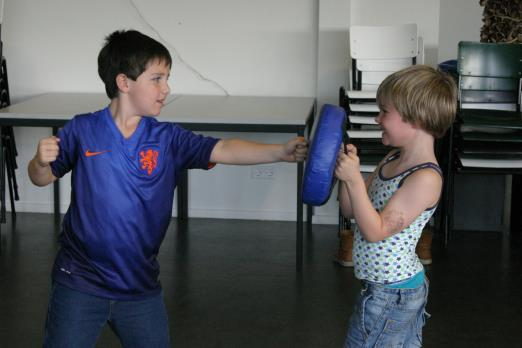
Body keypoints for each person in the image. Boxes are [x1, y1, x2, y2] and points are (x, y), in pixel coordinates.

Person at [28, 29, 307, 348]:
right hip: (79, 282)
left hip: (139, 287)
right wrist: (39, 161)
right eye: (157, 79)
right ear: (124, 82)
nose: (167, 88)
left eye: (167, 78)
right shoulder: (81, 129)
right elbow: (42, 177)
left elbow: (225, 148)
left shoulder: (168, 139)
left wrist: (278, 152)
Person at [335, 64, 457, 347]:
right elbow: (351, 211)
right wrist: (346, 176)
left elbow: (375, 232)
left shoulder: (425, 177)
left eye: (384, 111)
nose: (378, 119)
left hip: (392, 294)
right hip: (385, 289)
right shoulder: (392, 159)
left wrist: (354, 180)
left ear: (415, 118)